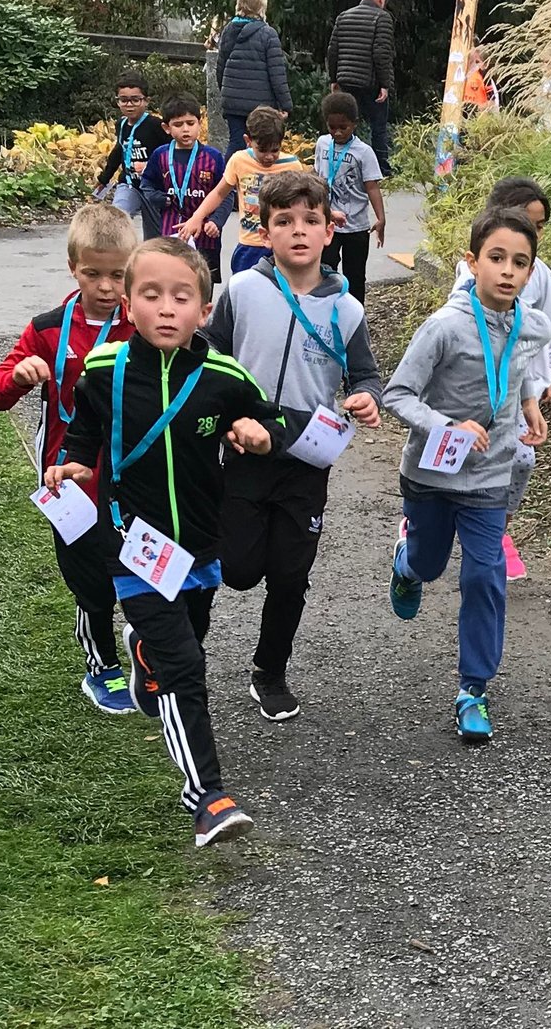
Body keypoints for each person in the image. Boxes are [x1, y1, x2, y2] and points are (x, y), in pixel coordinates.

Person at [46, 237, 295, 849]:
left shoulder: (223, 376)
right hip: (133, 545)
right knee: (186, 664)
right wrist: (73, 466)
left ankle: (144, 659)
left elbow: (279, 420)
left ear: (204, 311)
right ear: (128, 304)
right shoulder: (104, 371)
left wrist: (259, 434)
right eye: (150, 295)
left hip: (199, 549)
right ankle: (206, 796)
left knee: (185, 640)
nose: (165, 308)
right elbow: (83, 433)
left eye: (181, 297)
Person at [208, 170, 384, 721]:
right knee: (237, 569)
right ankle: (177, 624)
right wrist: (228, 419)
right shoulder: (242, 290)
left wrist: (365, 399)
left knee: (291, 573)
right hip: (243, 447)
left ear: (330, 231)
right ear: (264, 230)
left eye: (311, 220)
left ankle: (271, 670)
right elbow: (210, 356)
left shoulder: (346, 308)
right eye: (284, 221)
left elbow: (366, 375)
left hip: (308, 456)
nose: (299, 231)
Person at [381, 207, 551, 744]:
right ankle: (407, 564)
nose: (507, 270)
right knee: (431, 567)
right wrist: (444, 424)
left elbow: (520, 368)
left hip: (489, 477)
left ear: (531, 272)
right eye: (496, 258)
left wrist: (529, 406)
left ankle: (472, 689)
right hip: (432, 474)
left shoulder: (533, 325)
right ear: (471, 262)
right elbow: (398, 394)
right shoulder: (445, 326)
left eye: (519, 262)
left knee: (485, 577)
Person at [0, 204, 140, 715]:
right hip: (68, 482)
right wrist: (19, 375)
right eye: (93, 274)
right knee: (90, 577)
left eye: (118, 275)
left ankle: (150, 652)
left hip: (135, 475)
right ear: (73, 268)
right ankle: (103, 667)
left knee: (139, 564)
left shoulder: (145, 324)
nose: (106, 286)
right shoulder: (48, 330)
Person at [449, 176, 551, 583]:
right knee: (460, 454)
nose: (535, 232)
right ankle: (426, 519)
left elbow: (546, 333)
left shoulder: (544, 278)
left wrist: (542, 379)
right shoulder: (472, 274)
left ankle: (497, 529)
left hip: (513, 390)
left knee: (522, 458)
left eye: (541, 225)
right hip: (469, 389)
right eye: (526, 221)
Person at [179, 105, 302, 276]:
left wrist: (328, 214)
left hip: (282, 244)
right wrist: (197, 217)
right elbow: (219, 192)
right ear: (248, 141)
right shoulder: (239, 160)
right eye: (262, 150)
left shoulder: (292, 165)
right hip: (250, 244)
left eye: (275, 150)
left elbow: (305, 201)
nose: (269, 156)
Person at [140, 97, 227, 285]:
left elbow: (226, 193)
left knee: (203, 282)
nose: (185, 129)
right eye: (178, 124)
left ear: (200, 123)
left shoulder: (213, 157)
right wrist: (160, 199)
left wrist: (216, 221)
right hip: (171, 232)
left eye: (190, 123)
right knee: (171, 280)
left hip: (205, 234)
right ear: (166, 128)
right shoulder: (160, 155)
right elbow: (147, 183)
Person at [314, 91, 386, 304]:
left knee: (355, 276)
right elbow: (318, 176)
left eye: (342, 127)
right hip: (328, 223)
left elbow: (372, 187)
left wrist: (381, 218)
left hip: (356, 226)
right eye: (332, 127)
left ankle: (355, 317)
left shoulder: (363, 152)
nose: (337, 133)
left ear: (355, 124)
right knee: (325, 271)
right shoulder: (322, 144)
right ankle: (325, 309)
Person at [326, 0, 395, 176]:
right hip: (370, 82)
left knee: (348, 124)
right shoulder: (383, 18)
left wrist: (334, 78)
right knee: (378, 126)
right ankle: (381, 168)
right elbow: (381, 53)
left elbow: (333, 51)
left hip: (346, 81)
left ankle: (349, 166)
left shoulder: (343, 16)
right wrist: (385, 84)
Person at [215, 0, 291, 155]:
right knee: (262, 145)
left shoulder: (228, 31)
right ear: (263, 5)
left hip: (233, 101)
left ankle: (231, 179)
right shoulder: (268, 34)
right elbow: (276, 73)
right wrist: (285, 104)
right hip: (260, 104)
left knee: (236, 142)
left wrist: (226, 92)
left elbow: (221, 66)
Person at [95, 75, 166, 239]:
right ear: (117, 101)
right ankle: (120, 257)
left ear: (146, 101)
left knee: (154, 237)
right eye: (124, 100)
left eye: (135, 100)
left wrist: (149, 166)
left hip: (153, 188)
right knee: (116, 219)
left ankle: (149, 261)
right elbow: (119, 150)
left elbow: (169, 153)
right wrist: (104, 178)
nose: (129, 105)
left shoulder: (156, 125)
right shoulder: (121, 124)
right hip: (129, 184)